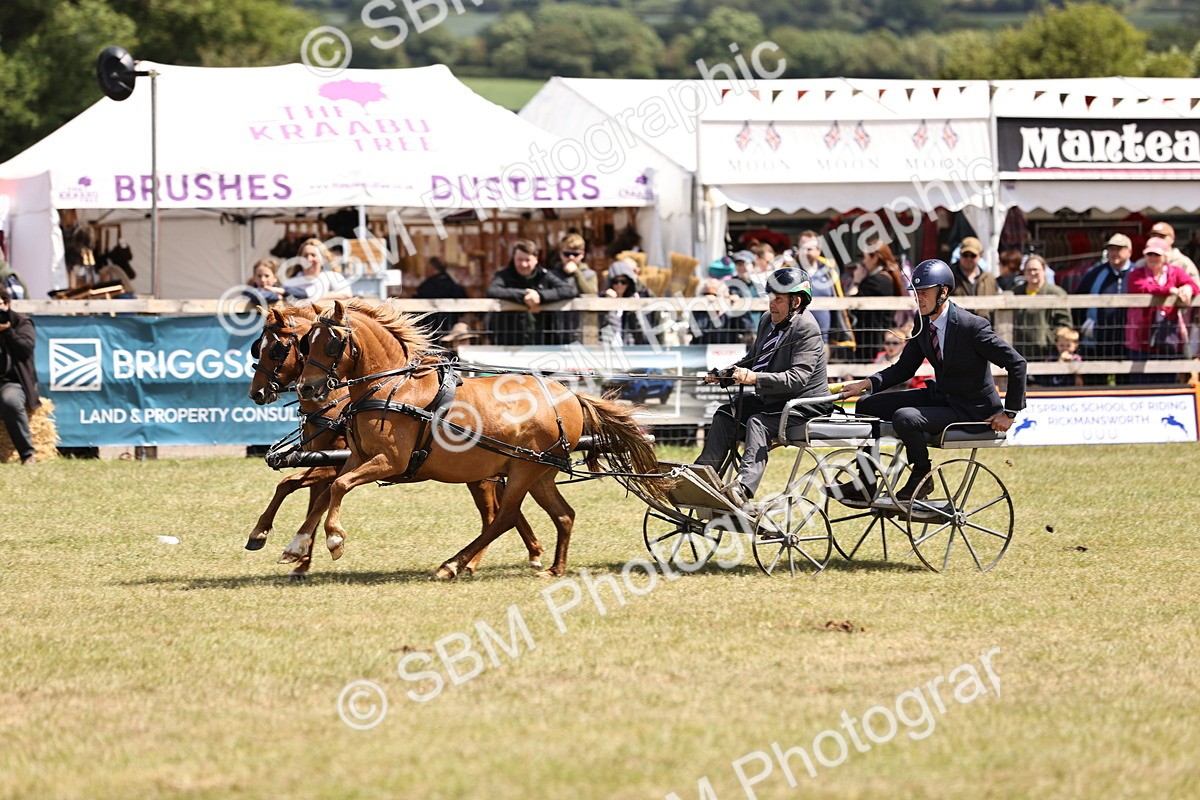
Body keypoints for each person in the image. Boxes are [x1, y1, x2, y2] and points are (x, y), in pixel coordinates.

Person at [841, 259, 1027, 501]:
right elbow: (905, 368)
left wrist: (1010, 412)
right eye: (916, 293)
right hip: (942, 398)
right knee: (866, 405)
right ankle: (866, 480)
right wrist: (864, 384)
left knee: (906, 418)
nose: (919, 299)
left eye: (925, 293)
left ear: (943, 292)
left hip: (972, 409)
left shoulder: (973, 327)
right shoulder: (922, 322)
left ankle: (922, 477)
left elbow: (1017, 364)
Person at [694, 267, 832, 506]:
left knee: (757, 422)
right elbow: (753, 360)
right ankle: (702, 475)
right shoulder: (768, 321)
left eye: (778, 299)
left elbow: (797, 379)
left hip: (804, 406)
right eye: (771, 298)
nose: (772, 304)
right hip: (775, 401)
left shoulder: (807, 328)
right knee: (727, 413)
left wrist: (754, 379)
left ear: (796, 301)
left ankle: (743, 488)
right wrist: (724, 374)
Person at [1126, 237, 1198, 379]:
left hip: (1168, 336)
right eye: (1149, 254)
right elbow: (1143, 287)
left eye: (1157, 254)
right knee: (1141, 382)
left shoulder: (1175, 272)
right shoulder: (1136, 273)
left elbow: (1194, 285)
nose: (1152, 257)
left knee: (1168, 380)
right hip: (1141, 338)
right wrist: (1170, 290)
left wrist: (1187, 288)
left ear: (1165, 256)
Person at [1072, 233, 1135, 383]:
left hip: (1127, 343)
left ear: (1129, 252)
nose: (1114, 253)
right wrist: (1083, 326)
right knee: (1094, 385)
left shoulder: (1137, 273)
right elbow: (1077, 301)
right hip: (1096, 342)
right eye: (1111, 249)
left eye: (1119, 249)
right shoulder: (1095, 273)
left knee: (1126, 386)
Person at [487, 239, 575, 346]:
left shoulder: (544, 275)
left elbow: (568, 290)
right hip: (510, 338)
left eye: (527, 260)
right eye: (519, 260)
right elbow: (493, 290)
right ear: (514, 258)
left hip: (542, 337)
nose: (523, 264)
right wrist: (524, 295)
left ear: (536, 259)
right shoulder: (504, 275)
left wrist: (540, 296)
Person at [796, 232, 855, 354]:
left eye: (809, 248)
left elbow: (839, 299)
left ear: (818, 250)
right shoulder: (791, 272)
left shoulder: (828, 271)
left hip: (824, 340)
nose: (804, 252)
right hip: (796, 340)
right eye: (802, 248)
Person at [0, 286, 40, 465]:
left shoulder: (22, 322)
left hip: (13, 382)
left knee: (10, 401)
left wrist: (7, 332)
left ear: (6, 304)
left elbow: (25, 350)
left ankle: (27, 453)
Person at [1010, 254, 1072, 364]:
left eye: (1035, 269)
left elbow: (1064, 323)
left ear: (1043, 270)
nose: (1032, 273)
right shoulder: (1015, 293)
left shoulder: (1056, 293)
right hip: (1020, 351)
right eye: (1028, 270)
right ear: (1024, 272)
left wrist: (1051, 339)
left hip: (1047, 353)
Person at [849, 241, 904, 362]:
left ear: (874, 258)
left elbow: (851, 304)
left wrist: (856, 281)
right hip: (879, 336)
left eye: (865, 257)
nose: (863, 262)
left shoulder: (876, 281)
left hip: (873, 340)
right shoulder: (886, 277)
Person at [545, 233, 596, 343]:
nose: (571, 258)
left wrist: (576, 273)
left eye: (575, 254)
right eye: (567, 254)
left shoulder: (589, 274)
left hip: (583, 329)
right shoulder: (552, 274)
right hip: (557, 329)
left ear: (582, 254)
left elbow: (591, 294)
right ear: (560, 254)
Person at [600, 258, 655, 346]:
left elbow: (642, 331)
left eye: (623, 282)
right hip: (607, 348)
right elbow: (602, 326)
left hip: (628, 348)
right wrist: (609, 305)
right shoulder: (602, 299)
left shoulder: (637, 297)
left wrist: (635, 308)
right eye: (616, 281)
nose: (619, 285)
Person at [415, 256, 468, 339]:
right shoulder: (453, 285)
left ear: (431, 268)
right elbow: (463, 303)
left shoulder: (427, 286)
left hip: (430, 329)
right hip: (450, 327)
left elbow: (416, 303)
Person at [283, 238, 352, 300]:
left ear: (323, 259)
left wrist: (309, 297)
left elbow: (346, 294)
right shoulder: (292, 282)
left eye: (313, 255)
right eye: (305, 255)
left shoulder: (332, 277)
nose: (309, 259)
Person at [690, 278, 753, 345]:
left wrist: (737, 307)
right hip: (702, 350)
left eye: (716, 294)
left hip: (729, 351)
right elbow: (697, 331)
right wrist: (707, 308)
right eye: (706, 293)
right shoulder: (698, 309)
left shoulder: (729, 312)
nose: (712, 297)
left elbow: (747, 327)